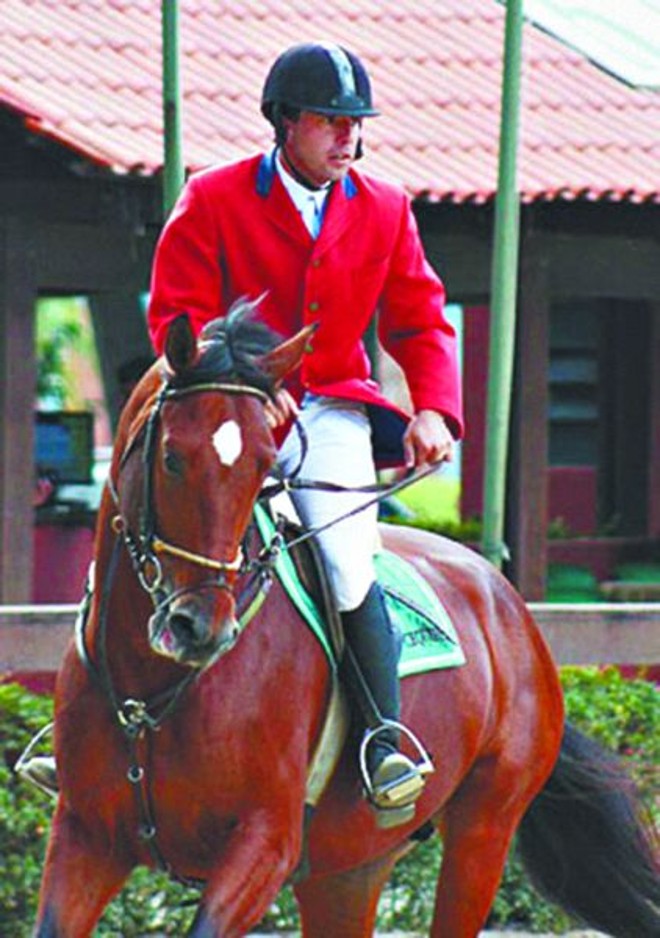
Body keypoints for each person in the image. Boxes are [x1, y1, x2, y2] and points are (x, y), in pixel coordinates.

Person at [147, 42, 463, 816]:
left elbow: (420, 320)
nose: (348, 139)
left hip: (327, 411)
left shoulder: (385, 207)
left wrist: (432, 408)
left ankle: (384, 740)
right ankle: (86, 728)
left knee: (349, 558)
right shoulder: (213, 196)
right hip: (224, 403)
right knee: (143, 519)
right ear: (285, 122)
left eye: (355, 124)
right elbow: (176, 312)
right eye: (330, 122)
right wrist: (248, 385)